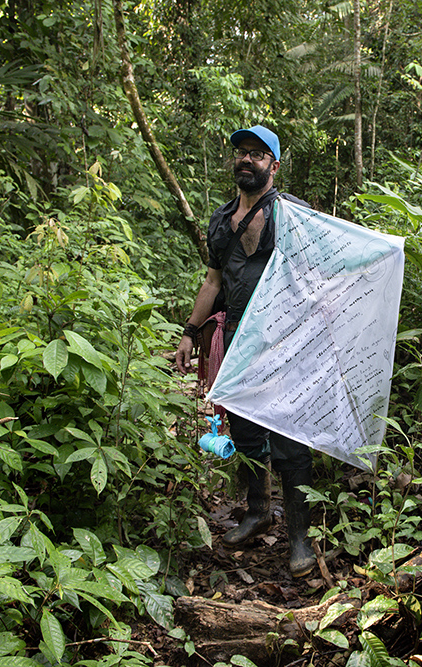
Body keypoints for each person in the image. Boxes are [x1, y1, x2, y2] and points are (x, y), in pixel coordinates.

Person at [175, 125, 317, 579]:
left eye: (257, 154)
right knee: (246, 431)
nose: (247, 160)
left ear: (274, 165)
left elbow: (320, 275)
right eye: (241, 153)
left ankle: (299, 537)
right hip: (236, 339)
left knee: (290, 438)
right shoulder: (220, 221)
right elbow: (214, 282)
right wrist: (189, 332)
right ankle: (257, 513)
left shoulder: (295, 215)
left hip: (285, 341)